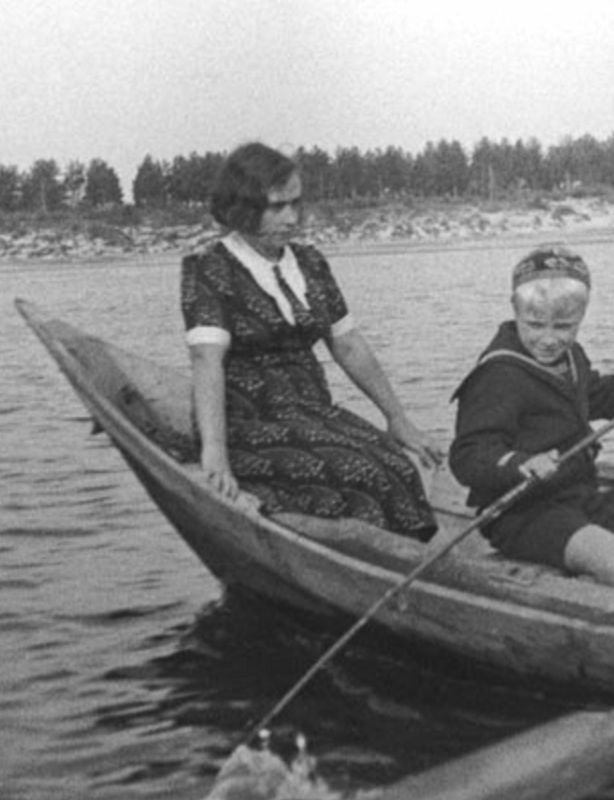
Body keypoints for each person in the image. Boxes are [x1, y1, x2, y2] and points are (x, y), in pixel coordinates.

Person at [181, 141, 440, 540]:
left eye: (296, 204)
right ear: (242, 207)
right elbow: (205, 360)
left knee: (397, 464)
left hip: (311, 412)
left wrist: (397, 418)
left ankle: (399, 557)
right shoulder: (211, 267)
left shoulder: (310, 263)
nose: (291, 218)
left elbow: (348, 345)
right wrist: (214, 454)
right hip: (246, 422)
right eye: (276, 207)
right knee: (361, 472)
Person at [448, 243, 614, 595]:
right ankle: (600, 605)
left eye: (563, 326)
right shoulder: (497, 375)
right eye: (535, 325)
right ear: (515, 309)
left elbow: (605, 396)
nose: (548, 339)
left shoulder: (572, 358)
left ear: (582, 316)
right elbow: (468, 456)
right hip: (521, 513)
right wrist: (521, 463)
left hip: (580, 496)